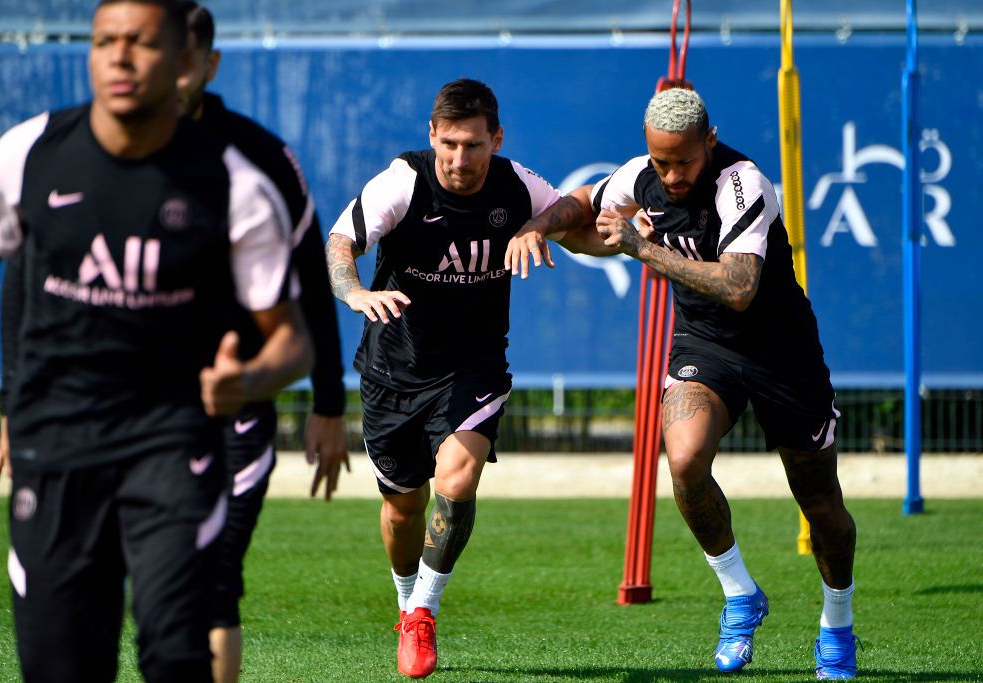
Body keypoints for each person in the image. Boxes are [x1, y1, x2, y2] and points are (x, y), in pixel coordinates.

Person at [0, 1, 312, 681]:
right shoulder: (28, 153)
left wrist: (253, 379)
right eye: (104, 41)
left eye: (142, 43)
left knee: (177, 653)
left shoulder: (234, 185)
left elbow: (293, 341)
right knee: (62, 665)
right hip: (55, 446)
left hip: (172, 447)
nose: (119, 57)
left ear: (185, 62)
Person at [504, 87, 859, 680]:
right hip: (705, 347)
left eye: (683, 162)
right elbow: (585, 203)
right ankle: (741, 594)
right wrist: (538, 225)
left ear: (709, 141)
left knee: (820, 505)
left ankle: (837, 623)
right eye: (660, 162)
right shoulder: (641, 174)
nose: (670, 176)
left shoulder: (742, 183)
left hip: (783, 355)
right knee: (685, 459)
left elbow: (740, 289)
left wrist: (640, 246)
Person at [326, 78, 572, 678]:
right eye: (450, 144)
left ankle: (423, 615)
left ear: (497, 140)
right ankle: (405, 601)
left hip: (475, 365)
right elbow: (339, 243)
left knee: (456, 480)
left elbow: (576, 210)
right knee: (402, 508)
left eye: (474, 145)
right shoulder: (403, 182)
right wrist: (354, 292)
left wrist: (539, 227)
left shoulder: (517, 185)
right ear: (432, 135)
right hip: (393, 370)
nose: (461, 159)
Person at [177, 3, 349, 682]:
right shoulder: (96, 153)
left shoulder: (261, 157)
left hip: (236, 411)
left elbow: (311, 281)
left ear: (208, 64)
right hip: (133, 413)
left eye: (181, 55)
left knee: (214, 578)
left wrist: (330, 403)